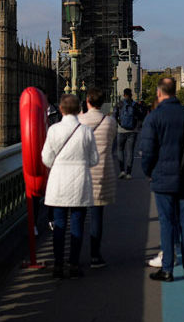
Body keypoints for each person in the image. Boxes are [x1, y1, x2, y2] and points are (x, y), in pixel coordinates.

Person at [140, 76, 184, 282]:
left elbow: (147, 151)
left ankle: (167, 270)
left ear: (159, 93)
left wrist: (148, 172)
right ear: (175, 92)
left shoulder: (154, 117)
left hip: (163, 177)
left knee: (166, 223)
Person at [41, 93, 98, 279]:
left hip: (59, 183)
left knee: (59, 225)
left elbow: (46, 159)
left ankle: (58, 265)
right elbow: (94, 159)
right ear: (77, 109)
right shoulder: (86, 131)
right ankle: (73, 264)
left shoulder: (54, 130)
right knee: (77, 224)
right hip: (80, 182)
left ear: (61, 109)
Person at [79, 88, 117, 268]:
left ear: (87, 101)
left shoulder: (80, 121)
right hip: (102, 172)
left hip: (82, 173)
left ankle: (74, 257)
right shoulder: (110, 122)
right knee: (96, 217)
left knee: (78, 216)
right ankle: (95, 256)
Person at [114, 88, 139, 179]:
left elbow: (114, 115)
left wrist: (119, 123)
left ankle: (122, 171)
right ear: (131, 94)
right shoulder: (135, 104)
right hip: (132, 131)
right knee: (130, 152)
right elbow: (140, 116)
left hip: (121, 130)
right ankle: (129, 173)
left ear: (124, 95)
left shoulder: (119, 104)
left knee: (120, 150)